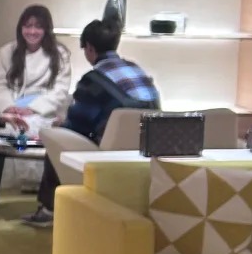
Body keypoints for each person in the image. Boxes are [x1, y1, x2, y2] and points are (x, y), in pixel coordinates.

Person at [25, 19, 161, 225]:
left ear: (89, 47)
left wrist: (60, 125)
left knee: (56, 138)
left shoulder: (94, 79)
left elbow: (78, 124)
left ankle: (48, 210)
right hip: (149, 147)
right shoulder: (136, 69)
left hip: (110, 150)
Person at [0, 4, 72, 128]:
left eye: (38, 27)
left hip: (43, 113)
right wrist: (9, 107)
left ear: (46, 29)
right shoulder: (7, 51)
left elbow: (60, 89)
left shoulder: (60, 54)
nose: (32, 31)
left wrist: (33, 108)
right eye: (28, 26)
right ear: (21, 28)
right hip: (12, 111)